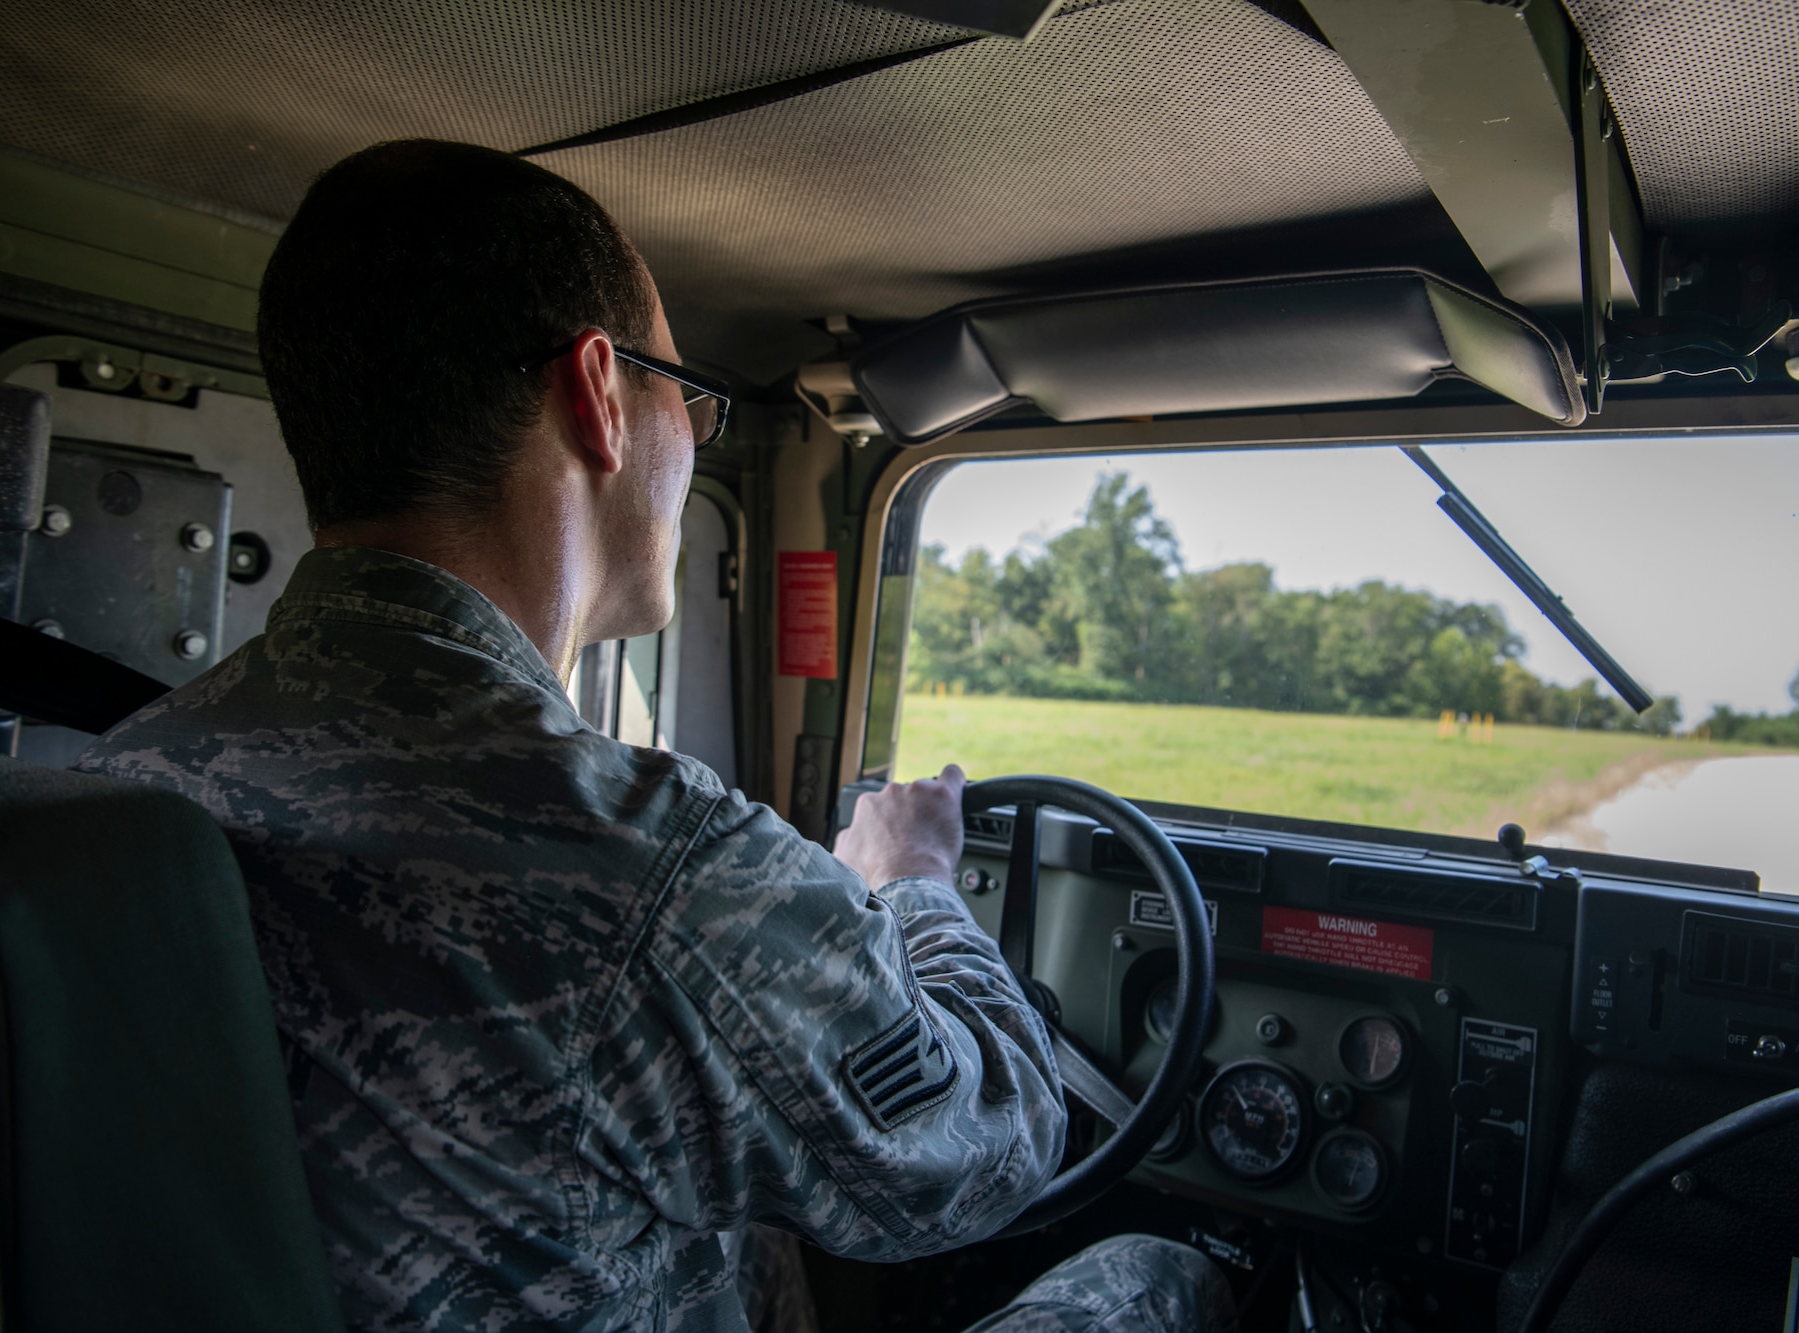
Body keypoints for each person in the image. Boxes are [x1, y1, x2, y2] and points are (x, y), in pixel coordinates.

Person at [78, 139, 1231, 1333]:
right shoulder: (648, 867)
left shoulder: (132, 768)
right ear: (597, 395)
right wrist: (916, 885)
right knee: (1158, 1276)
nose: (694, 439)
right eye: (686, 394)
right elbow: (984, 1155)